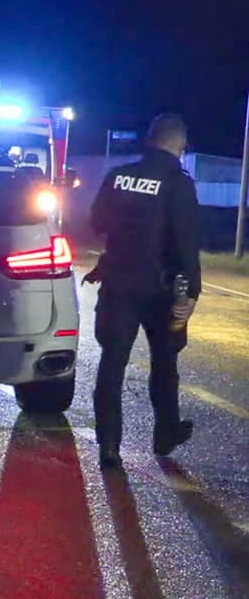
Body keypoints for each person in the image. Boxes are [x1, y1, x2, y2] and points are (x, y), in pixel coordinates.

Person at [87, 112, 203, 469]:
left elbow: (96, 223)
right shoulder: (177, 182)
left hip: (118, 286)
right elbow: (186, 243)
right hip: (161, 290)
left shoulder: (118, 176)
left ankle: (109, 447)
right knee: (165, 363)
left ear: (149, 140)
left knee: (112, 365)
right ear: (180, 145)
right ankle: (165, 432)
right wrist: (191, 294)